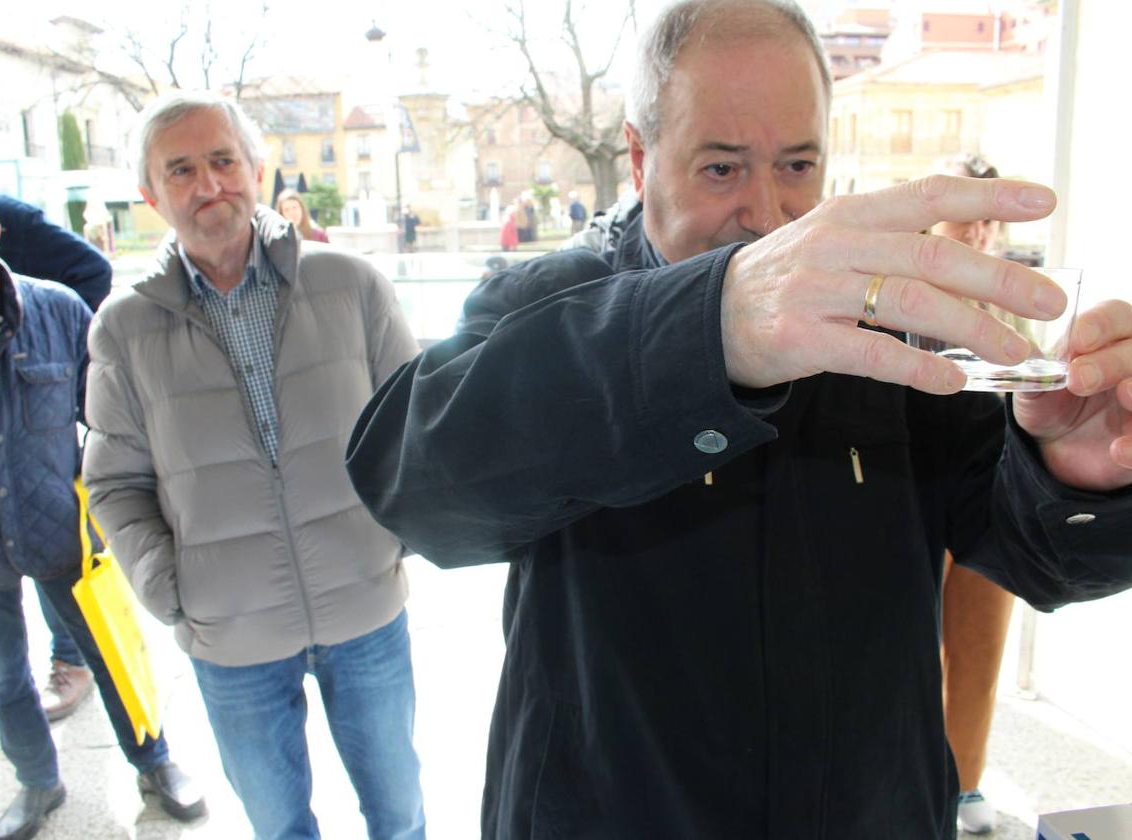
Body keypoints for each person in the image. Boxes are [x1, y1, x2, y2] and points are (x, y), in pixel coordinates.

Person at [344, 2, 1132, 838]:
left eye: (798, 165)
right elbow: (414, 486)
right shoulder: (553, 302)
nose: (768, 213)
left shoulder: (894, 332)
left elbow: (1039, 562)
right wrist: (708, 329)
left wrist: (1075, 469)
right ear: (642, 158)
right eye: (722, 169)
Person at [82, 91, 425, 840]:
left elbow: (418, 422)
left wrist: (394, 538)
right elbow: (114, 483)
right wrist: (174, 592)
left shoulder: (350, 284)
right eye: (180, 170)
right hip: (230, 636)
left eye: (222, 160)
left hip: (364, 610)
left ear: (257, 167)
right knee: (278, 827)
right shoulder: (124, 328)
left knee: (399, 818)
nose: (208, 186)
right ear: (150, 194)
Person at [0, 170, 205, 840]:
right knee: (4, 676)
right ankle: (37, 784)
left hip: (63, 528)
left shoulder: (58, 309)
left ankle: (155, 759)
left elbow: (110, 415)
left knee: (111, 651)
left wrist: (119, 502)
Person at [0, 122, 114, 720]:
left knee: (73, 601)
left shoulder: (12, 218)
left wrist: (46, 336)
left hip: (37, 424)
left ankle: (70, 660)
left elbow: (90, 270)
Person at [932, 152, 1012, 834]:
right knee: (911, 644)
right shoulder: (896, 292)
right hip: (916, 492)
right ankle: (916, 778)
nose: (983, 234)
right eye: (970, 218)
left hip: (992, 497)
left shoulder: (1009, 301)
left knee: (980, 647)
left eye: (991, 221)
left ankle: (964, 787)